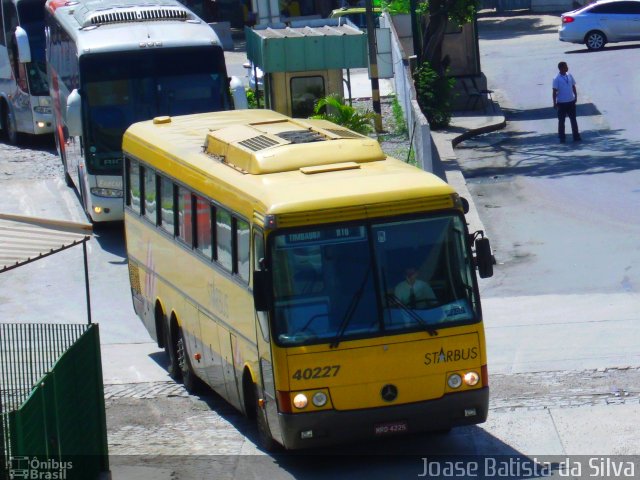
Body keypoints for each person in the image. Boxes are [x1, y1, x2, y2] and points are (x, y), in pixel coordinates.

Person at [552, 61, 581, 143]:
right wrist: (554, 103)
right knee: (561, 121)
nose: (567, 67)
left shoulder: (569, 75)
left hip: (571, 101)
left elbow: (573, 86)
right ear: (561, 68)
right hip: (561, 103)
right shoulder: (556, 78)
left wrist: (575, 96)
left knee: (573, 120)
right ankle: (562, 137)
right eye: (565, 66)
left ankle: (576, 136)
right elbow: (554, 91)